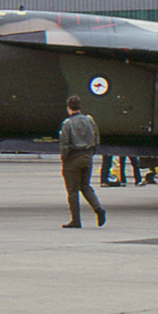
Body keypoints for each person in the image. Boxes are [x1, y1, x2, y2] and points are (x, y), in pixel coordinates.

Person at [59, 96, 106, 228]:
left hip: (73, 158)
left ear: (69, 108)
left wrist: (65, 158)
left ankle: (76, 220)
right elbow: (96, 138)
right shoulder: (89, 120)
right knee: (85, 186)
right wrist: (90, 153)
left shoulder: (67, 123)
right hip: (87, 157)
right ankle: (98, 209)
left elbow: (64, 143)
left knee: (72, 191)